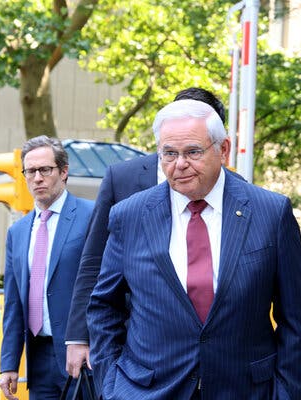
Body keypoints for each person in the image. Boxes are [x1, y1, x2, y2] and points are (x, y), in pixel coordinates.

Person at [87, 99, 301, 399]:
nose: (179, 164)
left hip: (244, 390)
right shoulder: (130, 216)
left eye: (192, 151)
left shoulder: (271, 212)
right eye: (169, 153)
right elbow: (103, 306)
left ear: (224, 150)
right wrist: (111, 385)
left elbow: (293, 321)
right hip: (147, 390)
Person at [64, 88, 231, 383]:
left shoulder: (242, 196)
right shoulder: (122, 177)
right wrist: (79, 337)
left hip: (221, 359)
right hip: (134, 342)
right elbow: (93, 261)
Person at [0, 135, 94, 400]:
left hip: (83, 354)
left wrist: (86, 339)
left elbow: (104, 287)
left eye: (45, 170)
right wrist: (9, 364)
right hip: (38, 357)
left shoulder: (92, 216)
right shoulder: (17, 232)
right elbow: (13, 303)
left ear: (64, 172)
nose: (37, 178)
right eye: (31, 171)